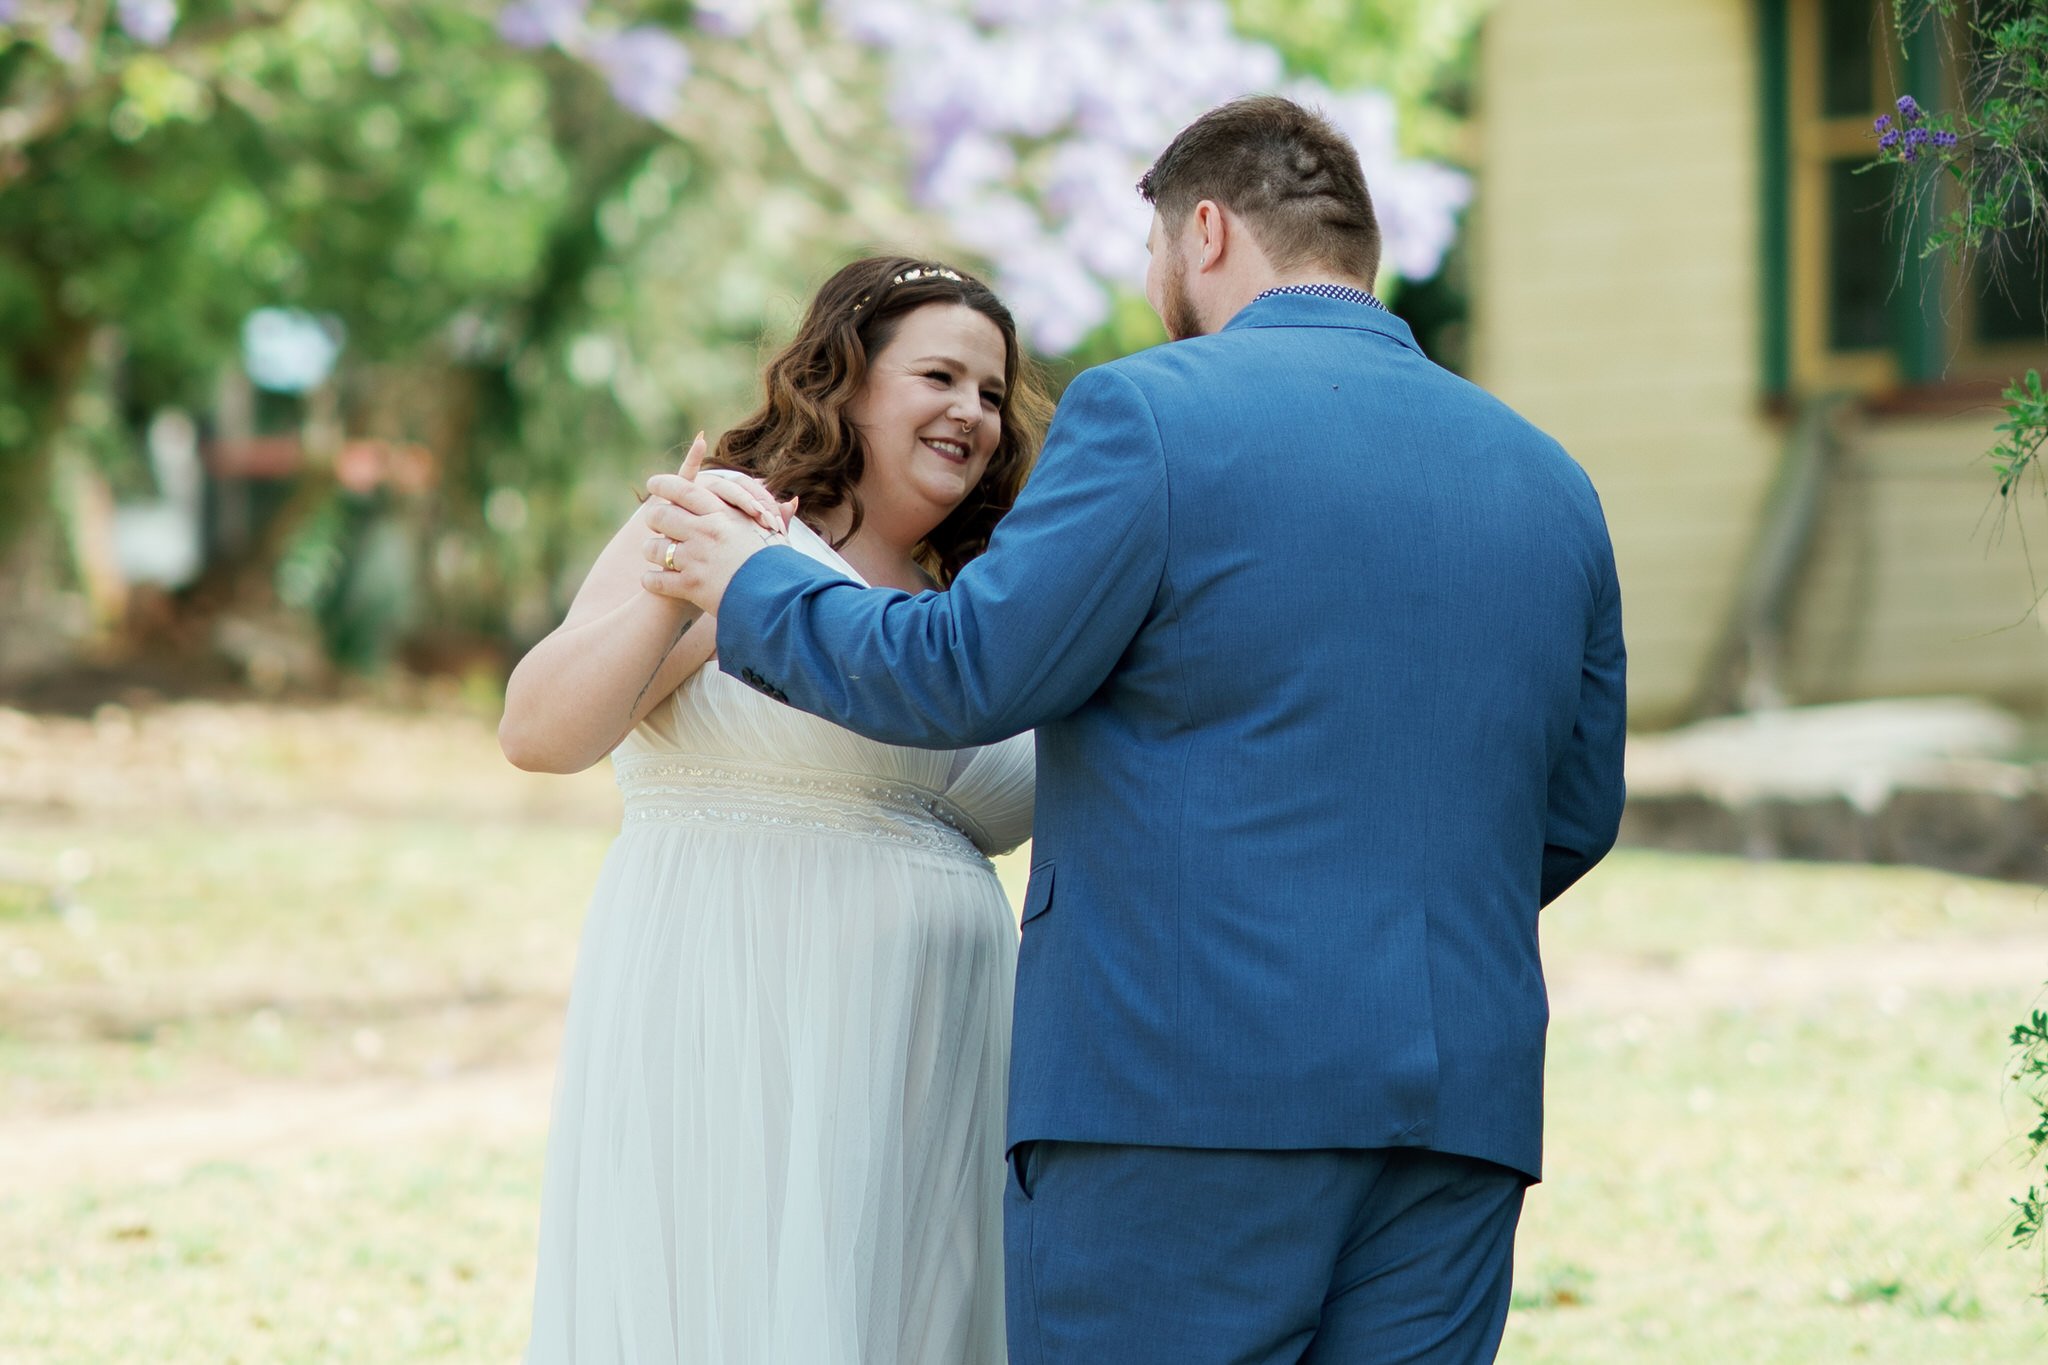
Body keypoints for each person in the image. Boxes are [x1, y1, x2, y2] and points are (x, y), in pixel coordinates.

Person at [643, 95, 1628, 1364]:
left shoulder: (1151, 414)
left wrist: (755, 583)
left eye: (1153, 246)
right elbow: (1572, 813)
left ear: (1202, 231)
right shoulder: (1550, 481)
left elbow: (959, 671)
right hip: (1457, 1116)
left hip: (1180, 1094)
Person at [499, 256, 1048, 1364]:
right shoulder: (723, 524)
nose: (973, 414)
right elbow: (539, 731)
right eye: (939, 377)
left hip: (933, 1055)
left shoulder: (985, 605)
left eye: (991, 393)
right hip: (741, 1010)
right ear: (848, 379)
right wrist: (696, 597)